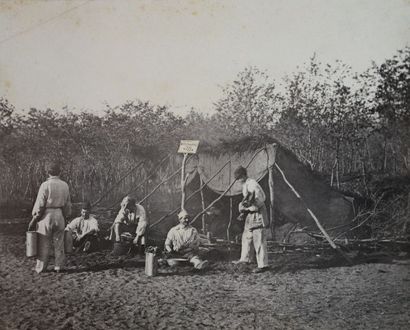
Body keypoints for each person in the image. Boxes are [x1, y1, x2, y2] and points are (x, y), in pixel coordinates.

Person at [28, 161, 71, 273]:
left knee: (43, 243)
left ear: (48, 172)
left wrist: (34, 218)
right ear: (59, 172)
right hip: (59, 214)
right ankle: (59, 266)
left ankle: (41, 267)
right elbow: (67, 204)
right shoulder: (65, 185)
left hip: (46, 215)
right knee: (59, 243)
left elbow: (40, 205)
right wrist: (66, 216)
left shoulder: (45, 185)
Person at [232, 166, 269, 273]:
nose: (238, 180)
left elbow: (261, 199)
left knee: (259, 239)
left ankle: (263, 265)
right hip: (250, 214)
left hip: (257, 213)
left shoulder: (253, 184)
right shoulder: (245, 185)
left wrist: (248, 206)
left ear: (244, 176)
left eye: (239, 178)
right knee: (247, 237)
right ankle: (245, 259)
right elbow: (247, 199)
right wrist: (243, 206)